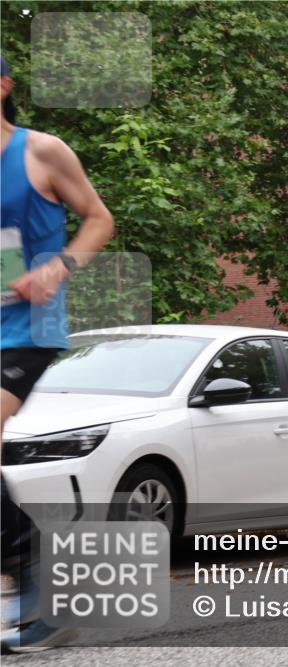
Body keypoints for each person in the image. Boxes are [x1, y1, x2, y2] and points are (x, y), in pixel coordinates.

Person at [1, 54, 115, 653]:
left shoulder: (41, 151)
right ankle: (34, 580)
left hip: (27, 328)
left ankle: (35, 575)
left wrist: (58, 266)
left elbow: (99, 220)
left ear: (3, 86)